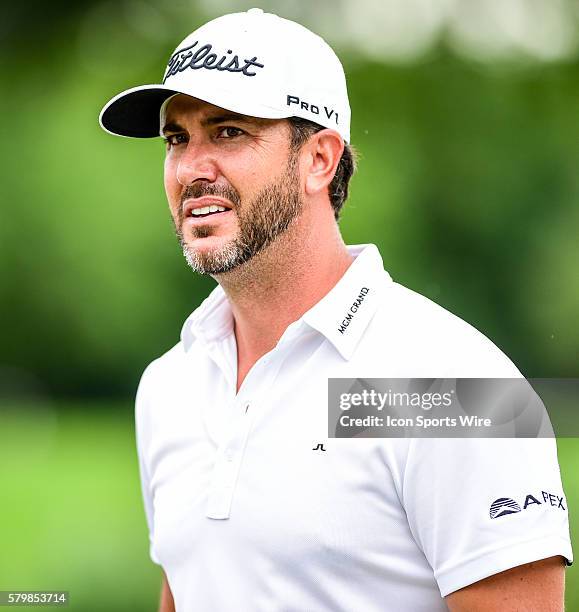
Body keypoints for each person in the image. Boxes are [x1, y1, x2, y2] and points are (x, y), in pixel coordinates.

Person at [99, 9, 572, 612]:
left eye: (228, 133)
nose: (192, 168)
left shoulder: (456, 385)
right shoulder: (168, 384)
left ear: (319, 159)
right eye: (177, 139)